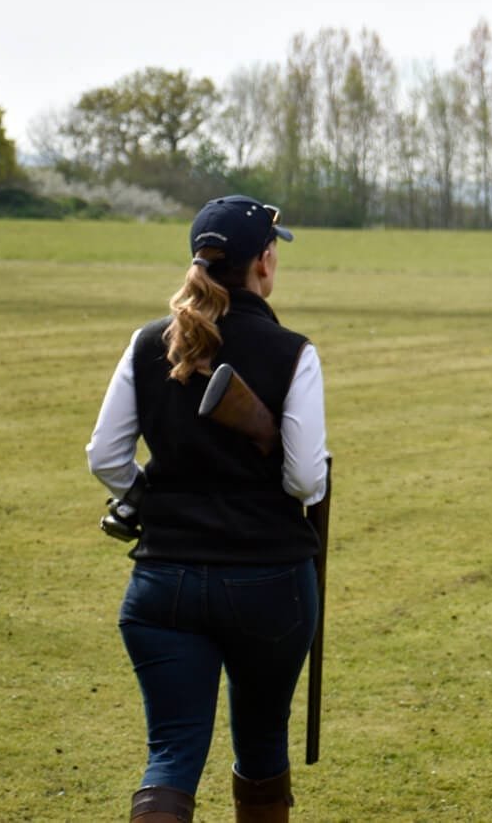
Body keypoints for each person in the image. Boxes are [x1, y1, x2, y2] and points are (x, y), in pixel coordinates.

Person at [87, 195, 329, 823]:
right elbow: (305, 480)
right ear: (265, 263)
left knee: (170, 755)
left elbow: (106, 459)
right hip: (270, 583)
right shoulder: (292, 350)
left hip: (162, 582)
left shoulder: (147, 344)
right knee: (262, 747)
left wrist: (149, 493)